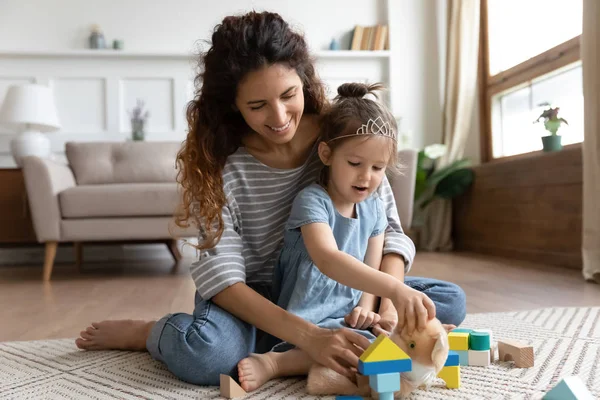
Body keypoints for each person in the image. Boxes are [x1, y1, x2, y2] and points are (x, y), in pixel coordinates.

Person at [74, 11, 466, 386]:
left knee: (447, 302)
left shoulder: (343, 136)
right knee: (205, 356)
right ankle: (151, 333)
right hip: (256, 297)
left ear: (304, 81)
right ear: (234, 105)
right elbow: (223, 280)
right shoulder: (221, 165)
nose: (278, 117)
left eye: (288, 95)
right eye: (258, 106)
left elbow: (388, 231)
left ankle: (308, 341)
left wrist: (389, 305)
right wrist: (312, 337)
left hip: (337, 293)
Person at [237, 82, 445, 392]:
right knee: (349, 343)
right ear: (326, 154)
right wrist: (395, 290)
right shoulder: (312, 201)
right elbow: (328, 259)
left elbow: (372, 268)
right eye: (355, 164)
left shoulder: (374, 207)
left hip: (347, 312)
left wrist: (368, 307)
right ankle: (274, 363)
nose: (367, 177)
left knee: (380, 336)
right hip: (306, 311)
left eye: (378, 168)